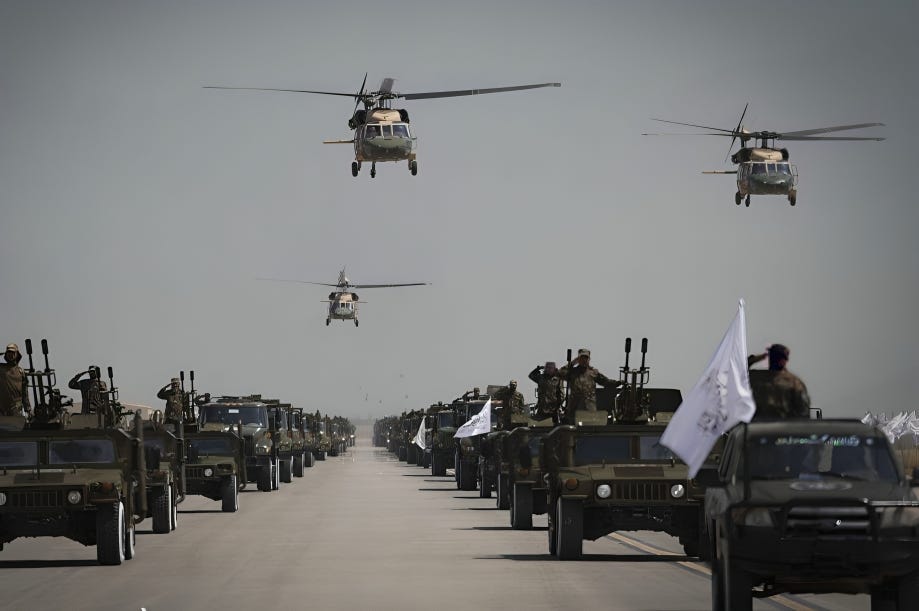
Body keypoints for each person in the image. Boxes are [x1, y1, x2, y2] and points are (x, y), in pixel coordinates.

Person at [748, 343, 810, 420]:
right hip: (783, 428)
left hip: (756, 427)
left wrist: (756, 358)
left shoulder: (754, 376)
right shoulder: (795, 382)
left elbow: (738, 369)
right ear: (784, 361)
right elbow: (803, 413)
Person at [558, 348, 622, 421]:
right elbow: (560, 373)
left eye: (586, 358)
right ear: (578, 359)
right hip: (575, 408)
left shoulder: (593, 372)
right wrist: (572, 363)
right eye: (582, 358)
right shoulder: (572, 372)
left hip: (589, 408)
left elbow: (605, 381)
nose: (584, 360)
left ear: (589, 359)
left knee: (590, 428)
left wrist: (617, 383)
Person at [1, 343, 30, 416]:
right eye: (9, 352)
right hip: (2, 408)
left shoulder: (21, 371)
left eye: (13, 352)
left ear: (17, 354)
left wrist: (28, 409)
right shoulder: (1, 368)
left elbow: (25, 392)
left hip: (16, 408)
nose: (11, 354)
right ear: (6, 354)